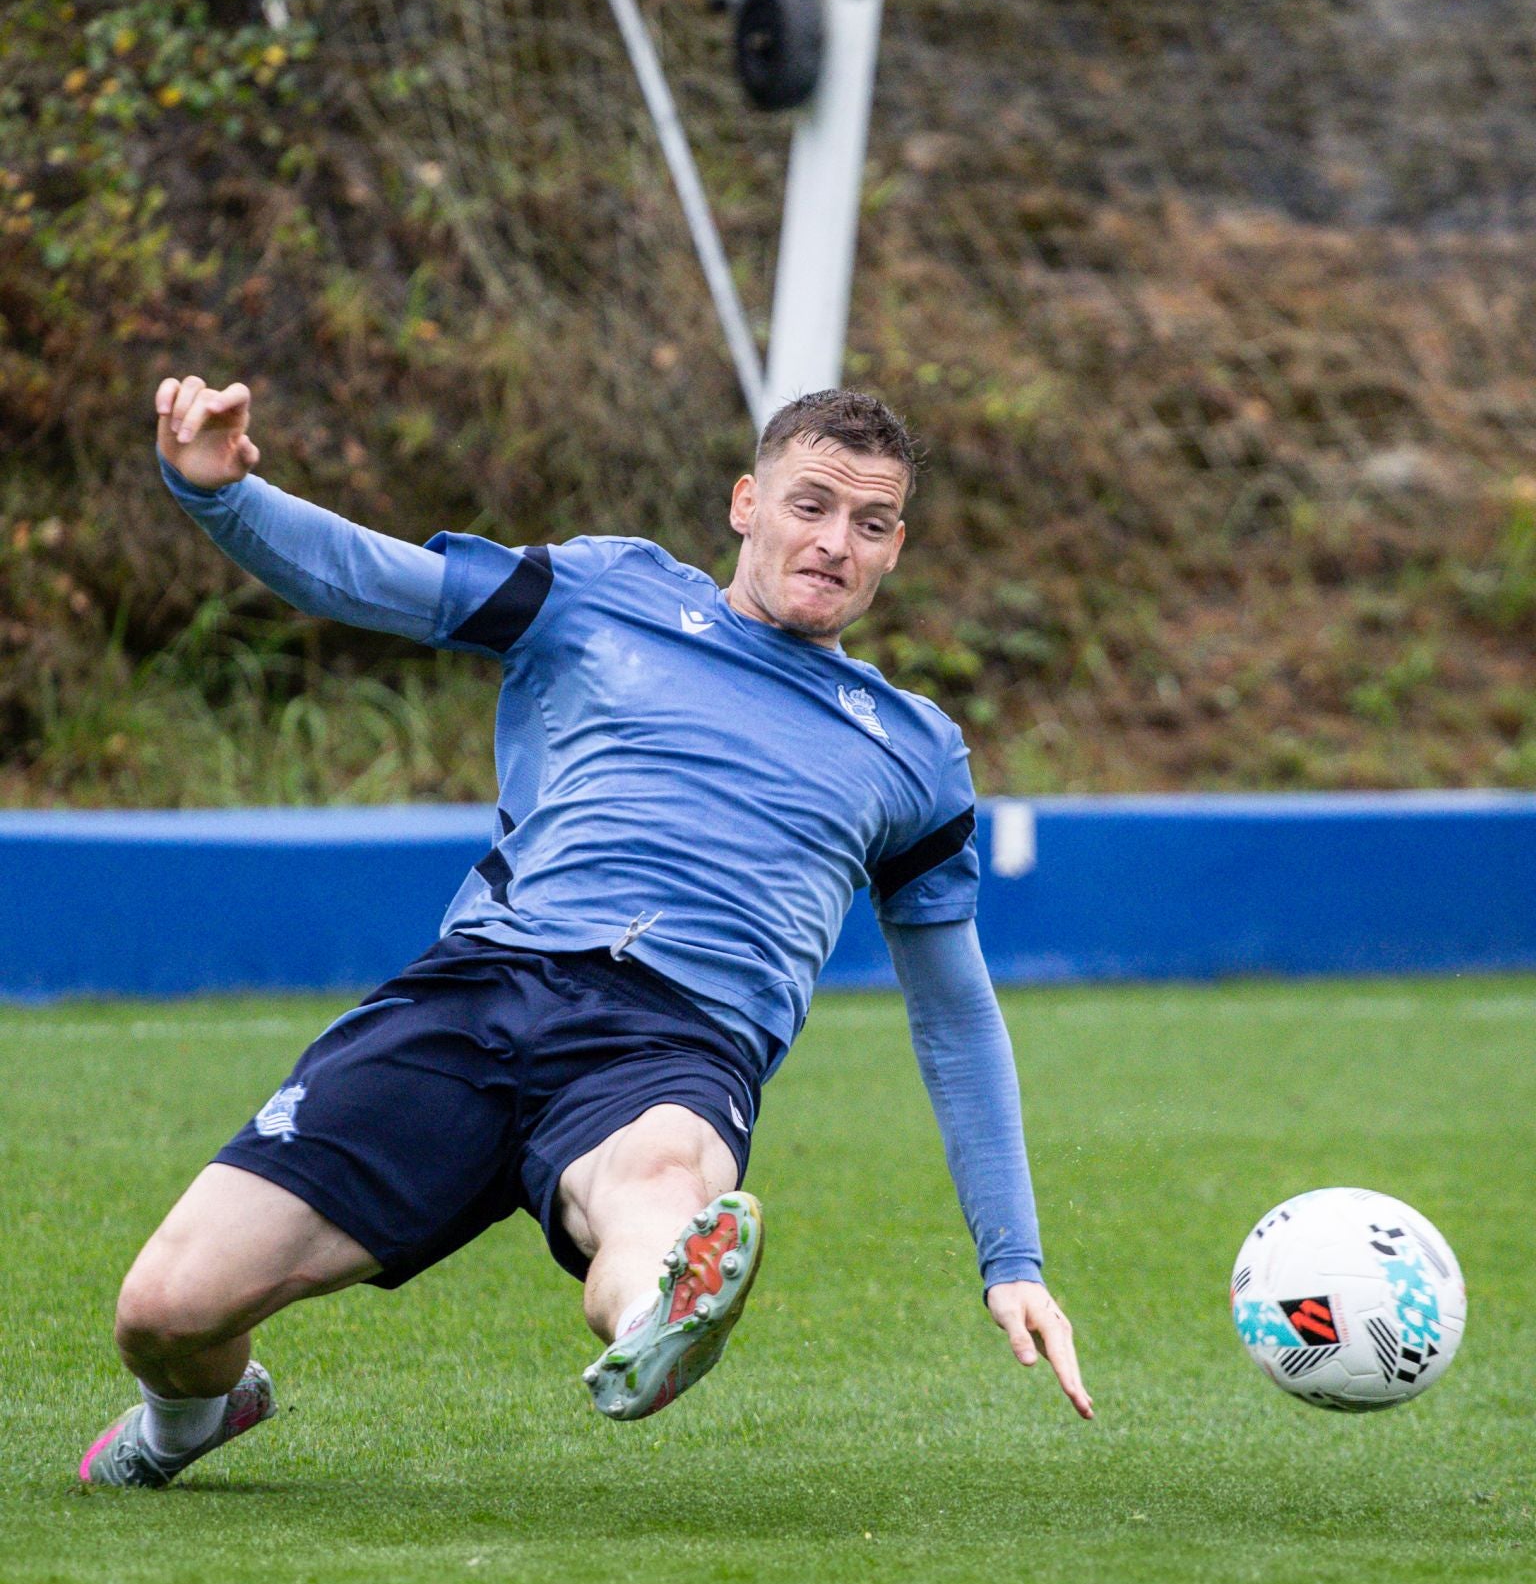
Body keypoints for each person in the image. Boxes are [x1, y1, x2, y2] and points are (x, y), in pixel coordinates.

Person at [80, 377, 1093, 1489]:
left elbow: (956, 1015)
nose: (834, 542)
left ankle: (660, 1317)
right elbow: (377, 578)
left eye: (871, 522)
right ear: (746, 503)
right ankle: (191, 1419)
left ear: (896, 548)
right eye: (811, 506)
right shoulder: (606, 593)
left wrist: (1012, 1259)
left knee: (660, 1181)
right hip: (480, 990)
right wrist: (219, 493)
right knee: (164, 1311)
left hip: (675, 1044)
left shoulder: (914, 753)